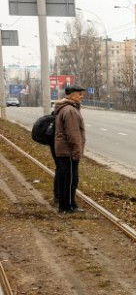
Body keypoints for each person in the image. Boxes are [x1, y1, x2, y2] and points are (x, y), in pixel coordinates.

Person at [54, 85, 86, 213]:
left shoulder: (66, 108)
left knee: (65, 178)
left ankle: (66, 205)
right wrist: (77, 152)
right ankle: (68, 206)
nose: (81, 96)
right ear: (71, 95)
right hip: (68, 151)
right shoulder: (70, 110)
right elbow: (73, 134)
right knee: (70, 180)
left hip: (64, 150)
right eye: (79, 94)